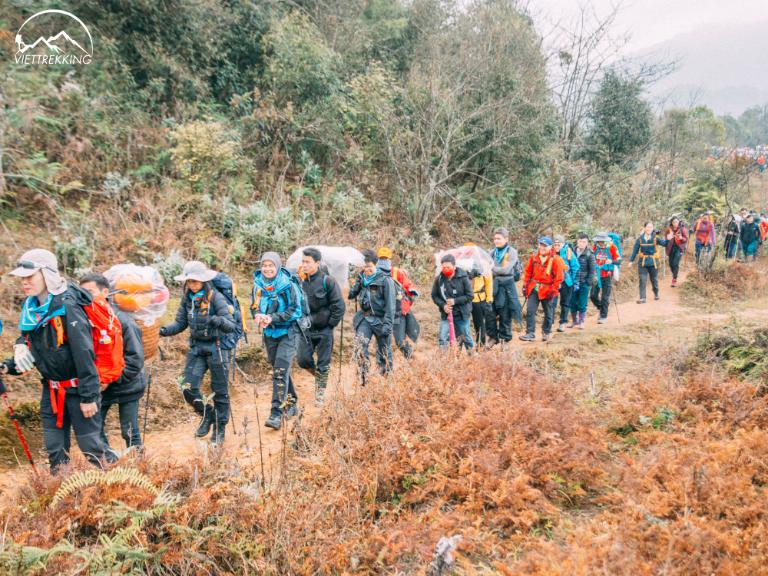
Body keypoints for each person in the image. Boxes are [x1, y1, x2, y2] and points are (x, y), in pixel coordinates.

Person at [1, 249, 117, 471]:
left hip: (79, 390)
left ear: (47, 274)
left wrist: (89, 396)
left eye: (30, 277)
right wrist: (9, 365)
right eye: (22, 278)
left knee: (91, 448)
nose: (24, 282)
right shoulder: (32, 309)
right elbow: (37, 350)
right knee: (55, 452)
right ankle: (64, 500)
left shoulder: (68, 306)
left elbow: (84, 354)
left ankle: (121, 491)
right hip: (52, 392)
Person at [160, 261, 236, 444]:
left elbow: (230, 325)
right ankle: (207, 413)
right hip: (197, 348)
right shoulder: (187, 298)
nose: (192, 285)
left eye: (195, 281)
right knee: (187, 387)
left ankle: (220, 428)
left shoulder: (216, 297)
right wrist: (161, 331)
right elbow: (180, 323)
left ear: (203, 280)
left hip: (216, 348)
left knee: (220, 391)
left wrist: (217, 320)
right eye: (189, 282)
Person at [79, 273, 146, 451]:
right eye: (82, 292)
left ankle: (140, 464)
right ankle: (108, 464)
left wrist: (110, 380)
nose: (85, 297)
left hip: (128, 383)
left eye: (90, 292)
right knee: (96, 428)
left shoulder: (124, 322)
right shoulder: (84, 321)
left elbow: (135, 360)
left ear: (105, 292)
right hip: (100, 385)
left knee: (129, 430)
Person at [252, 252, 304, 430]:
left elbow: (295, 311)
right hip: (270, 334)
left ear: (277, 266)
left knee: (280, 371)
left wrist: (272, 318)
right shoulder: (258, 284)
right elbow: (254, 306)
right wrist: (257, 315)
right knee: (280, 369)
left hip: (289, 332)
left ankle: (276, 414)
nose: (267, 269)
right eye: (264, 265)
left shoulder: (287, 285)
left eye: (270, 265)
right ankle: (292, 403)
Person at [296, 247, 345, 406]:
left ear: (317, 263)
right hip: (305, 330)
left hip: (324, 330)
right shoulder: (300, 282)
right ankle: (319, 377)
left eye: (307, 262)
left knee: (323, 363)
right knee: (303, 360)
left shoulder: (327, 281)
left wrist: (330, 325)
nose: (304, 265)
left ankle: (320, 394)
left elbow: (339, 306)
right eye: (303, 261)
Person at [348, 250, 396, 385]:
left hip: (381, 320)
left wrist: (388, 325)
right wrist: (356, 283)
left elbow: (390, 306)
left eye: (369, 266)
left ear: (376, 265)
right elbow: (351, 295)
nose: (367, 269)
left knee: (384, 352)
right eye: (364, 266)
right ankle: (364, 379)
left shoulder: (385, 281)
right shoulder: (362, 279)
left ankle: (386, 380)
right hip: (365, 319)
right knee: (360, 346)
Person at [376, 247, 420, 359]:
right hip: (382, 312)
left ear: (390, 259)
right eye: (381, 258)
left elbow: (409, 288)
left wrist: (406, 304)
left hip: (397, 312)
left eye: (385, 258)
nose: (383, 261)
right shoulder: (374, 273)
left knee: (400, 341)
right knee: (381, 341)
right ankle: (384, 366)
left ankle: (412, 359)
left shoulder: (397, 272)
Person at [519, 237, 565, 342]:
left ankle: (546, 332)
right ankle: (530, 333)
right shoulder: (534, 257)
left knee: (548, 312)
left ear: (550, 247)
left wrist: (553, 290)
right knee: (530, 311)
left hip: (548, 289)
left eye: (545, 246)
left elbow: (559, 278)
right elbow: (528, 272)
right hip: (534, 288)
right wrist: (525, 285)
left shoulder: (556, 259)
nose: (542, 247)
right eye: (541, 245)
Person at [486, 228, 522, 346]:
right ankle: (492, 337)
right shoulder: (491, 252)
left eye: (499, 238)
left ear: (506, 239)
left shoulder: (512, 252)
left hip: (507, 287)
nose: (496, 241)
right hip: (493, 286)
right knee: (489, 312)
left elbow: (506, 270)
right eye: (495, 238)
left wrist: (492, 269)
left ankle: (504, 340)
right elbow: (485, 268)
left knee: (505, 313)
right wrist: (494, 270)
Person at [431, 254, 475, 351]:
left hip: (462, 313)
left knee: (465, 337)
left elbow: (470, 296)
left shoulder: (463, 277)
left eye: (448, 267)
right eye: (444, 267)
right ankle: (444, 360)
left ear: (454, 267)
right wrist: (443, 306)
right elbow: (434, 295)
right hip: (446, 314)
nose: (446, 269)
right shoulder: (439, 279)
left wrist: (455, 301)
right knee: (443, 337)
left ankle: (472, 358)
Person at [629, 222, 667, 303]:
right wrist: (631, 261)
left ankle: (656, 292)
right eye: (648, 227)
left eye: (651, 227)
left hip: (653, 262)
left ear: (653, 228)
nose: (649, 229)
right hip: (642, 262)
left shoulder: (655, 238)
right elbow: (635, 250)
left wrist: (669, 239)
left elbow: (665, 244)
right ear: (645, 228)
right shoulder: (640, 239)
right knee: (642, 280)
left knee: (654, 280)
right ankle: (642, 298)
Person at [590, 232, 621, 324]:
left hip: (607, 275)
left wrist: (611, 261)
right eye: (599, 241)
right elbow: (592, 258)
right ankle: (602, 307)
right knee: (593, 295)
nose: (601, 243)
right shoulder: (595, 247)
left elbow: (619, 261)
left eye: (602, 241)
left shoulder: (612, 247)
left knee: (605, 297)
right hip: (597, 275)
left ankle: (603, 316)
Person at [553, 235, 580, 333]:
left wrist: (575, 282)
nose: (556, 246)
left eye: (558, 244)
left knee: (565, 303)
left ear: (563, 244)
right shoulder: (551, 253)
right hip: (554, 282)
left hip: (567, 282)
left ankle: (562, 323)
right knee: (552, 302)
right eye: (555, 244)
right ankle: (549, 322)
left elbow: (575, 267)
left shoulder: (569, 253)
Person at [570, 233, 597, 330]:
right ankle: (574, 321)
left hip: (584, 282)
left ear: (587, 243)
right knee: (572, 302)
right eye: (580, 241)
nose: (581, 243)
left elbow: (592, 270)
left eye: (584, 242)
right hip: (573, 282)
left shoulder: (590, 254)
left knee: (582, 303)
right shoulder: (571, 252)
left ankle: (581, 321)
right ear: (577, 241)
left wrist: (588, 282)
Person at [469, 265, 493, 346]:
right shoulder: (463, 264)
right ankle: (460, 347)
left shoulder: (483, 265)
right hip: (464, 300)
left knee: (479, 324)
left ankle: (481, 345)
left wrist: (489, 299)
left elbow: (489, 283)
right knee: (463, 324)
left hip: (478, 299)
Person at [665, 216, 689, 286]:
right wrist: (667, 239)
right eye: (674, 222)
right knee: (671, 264)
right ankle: (675, 274)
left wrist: (681, 238)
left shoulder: (682, 229)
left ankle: (674, 279)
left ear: (678, 222)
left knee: (675, 263)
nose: (675, 223)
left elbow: (686, 239)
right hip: (670, 248)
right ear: (671, 223)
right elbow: (666, 238)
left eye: (676, 222)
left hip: (679, 248)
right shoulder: (668, 230)